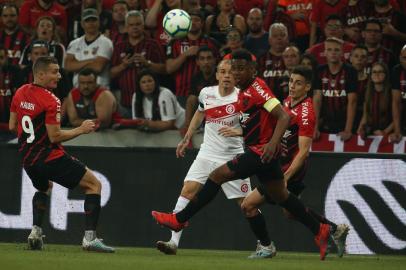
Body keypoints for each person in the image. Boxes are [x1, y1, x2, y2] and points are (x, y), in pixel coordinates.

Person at [152, 49, 332, 261]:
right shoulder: (243, 92)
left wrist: (272, 143)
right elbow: (250, 119)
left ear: (252, 70)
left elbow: (283, 117)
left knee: (217, 176)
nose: (235, 73)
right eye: (233, 68)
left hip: (260, 152)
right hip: (264, 155)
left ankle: (179, 219)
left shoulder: (258, 88)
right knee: (282, 197)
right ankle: (320, 230)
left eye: (240, 69)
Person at [237, 65, 350, 258]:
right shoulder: (287, 102)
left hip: (289, 170)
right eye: (291, 81)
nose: (292, 86)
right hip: (279, 166)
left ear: (307, 87)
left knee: (248, 204)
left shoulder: (306, 113)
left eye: (298, 83)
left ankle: (266, 247)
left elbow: (304, 151)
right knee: (290, 212)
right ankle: (334, 230)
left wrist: (286, 176)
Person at [8, 56, 114, 252]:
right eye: (54, 71)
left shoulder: (20, 92)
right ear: (40, 74)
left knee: (44, 187)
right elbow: (55, 136)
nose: (59, 75)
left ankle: (36, 233)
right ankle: (90, 239)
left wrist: (32, 140)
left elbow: (13, 125)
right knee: (94, 185)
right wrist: (80, 129)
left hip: (28, 158)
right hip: (49, 156)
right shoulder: (51, 100)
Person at [155, 59, 254, 255]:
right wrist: (188, 136)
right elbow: (200, 114)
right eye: (222, 72)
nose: (226, 76)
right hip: (207, 153)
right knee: (188, 189)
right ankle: (172, 242)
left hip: (232, 157)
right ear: (216, 75)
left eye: (230, 73)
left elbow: (253, 126)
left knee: (247, 204)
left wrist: (239, 131)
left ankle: (265, 243)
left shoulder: (243, 97)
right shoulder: (206, 93)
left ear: (236, 76)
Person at [110, 10, 166, 118]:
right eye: (131, 25)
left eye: (138, 24)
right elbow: (111, 73)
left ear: (143, 25)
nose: (135, 27)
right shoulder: (119, 46)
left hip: (150, 103)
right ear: (126, 27)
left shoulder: (153, 44)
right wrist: (124, 65)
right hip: (125, 102)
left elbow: (164, 69)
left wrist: (147, 63)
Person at [313, 37, 358, 141]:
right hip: (326, 123)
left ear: (342, 52)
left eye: (336, 50)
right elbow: (317, 101)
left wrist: (348, 130)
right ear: (325, 52)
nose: (333, 53)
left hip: (345, 122)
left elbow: (353, 101)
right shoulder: (319, 71)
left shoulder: (350, 71)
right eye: (329, 50)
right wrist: (314, 128)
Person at [114, 69, 185, 131]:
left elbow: (169, 124)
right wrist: (123, 125)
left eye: (150, 81)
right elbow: (137, 121)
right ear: (139, 85)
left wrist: (148, 124)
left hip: (180, 128)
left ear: (155, 82)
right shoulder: (136, 96)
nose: (147, 85)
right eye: (143, 82)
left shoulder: (165, 94)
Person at [64, 8, 113, 89]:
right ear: (82, 24)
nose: (91, 23)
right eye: (87, 21)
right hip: (78, 89)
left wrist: (76, 64)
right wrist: (91, 60)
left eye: (94, 20)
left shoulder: (106, 42)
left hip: (100, 90)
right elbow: (67, 66)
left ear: (99, 22)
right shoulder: (74, 43)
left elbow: (98, 67)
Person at [183, 46, 217, 134]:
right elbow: (192, 100)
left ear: (214, 60)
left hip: (220, 109)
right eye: (202, 59)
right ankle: (188, 128)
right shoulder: (196, 78)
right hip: (204, 109)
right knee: (191, 99)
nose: (206, 62)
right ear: (197, 62)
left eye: (209, 58)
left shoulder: (221, 75)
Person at [357, 62, 393, 138]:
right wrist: (360, 129)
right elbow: (365, 115)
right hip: (370, 133)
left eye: (380, 71)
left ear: (385, 74)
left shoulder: (392, 92)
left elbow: (398, 117)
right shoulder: (366, 91)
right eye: (374, 72)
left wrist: (384, 132)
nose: (377, 74)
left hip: (388, 133)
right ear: (371, 75)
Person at [389, 45, 406, 143]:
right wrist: (397, 130)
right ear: (400, 58)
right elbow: (396, 102)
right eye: (405, 58)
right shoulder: (396, 71)